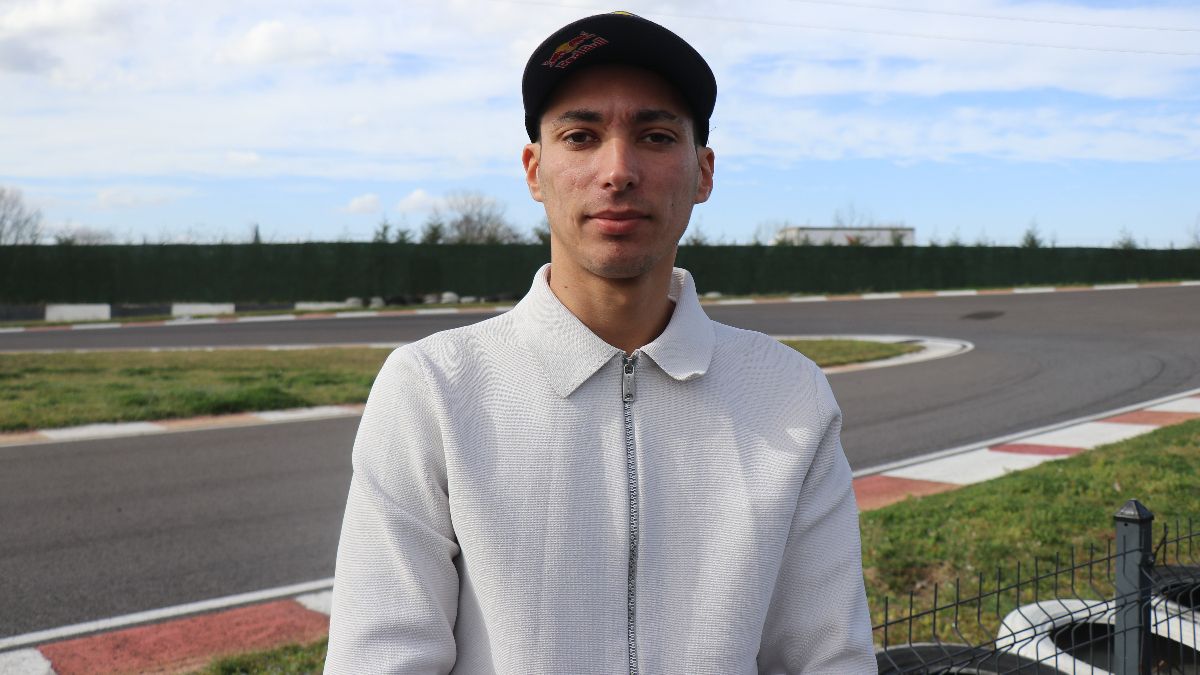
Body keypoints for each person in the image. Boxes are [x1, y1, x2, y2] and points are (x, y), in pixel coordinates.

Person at [325, 11, 875, 674]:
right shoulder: (431, 387)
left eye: (655, 136)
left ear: (703, 173)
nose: (618, 171)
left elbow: (828, 657)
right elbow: (381, 657)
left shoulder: (789, 392)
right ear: (535, 170)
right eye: (581, 136)